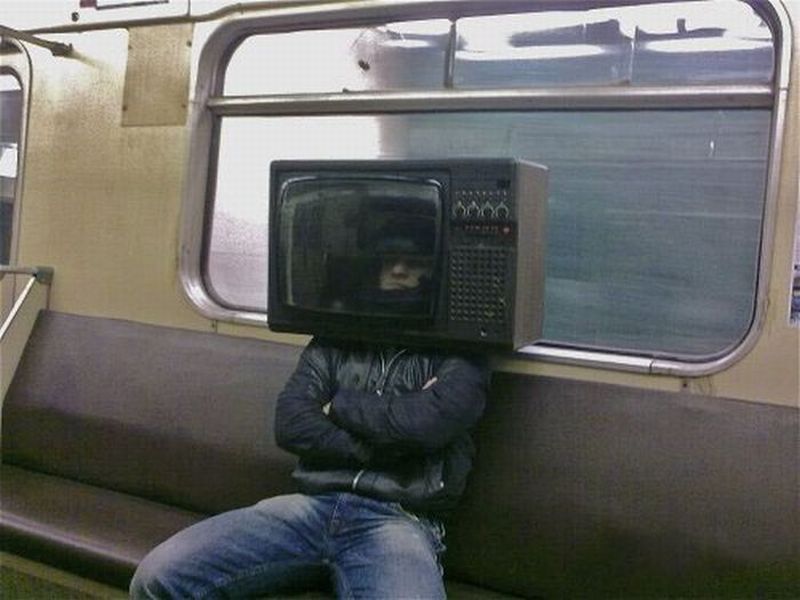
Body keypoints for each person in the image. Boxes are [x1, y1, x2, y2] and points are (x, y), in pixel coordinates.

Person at [129, 236, 488, 599]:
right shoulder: (335, 338)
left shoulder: (461, 353)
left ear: (435, 273)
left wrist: (338, 405)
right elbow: (291, 423)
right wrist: (388, 447)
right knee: (158, 578)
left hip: (399, 519)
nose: (397, 270)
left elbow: (428, 424)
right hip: (312, 503)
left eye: (414, 263)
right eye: (389, 259)